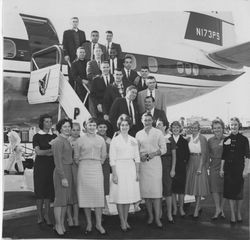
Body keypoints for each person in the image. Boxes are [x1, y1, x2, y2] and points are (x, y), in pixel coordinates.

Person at [74, 118, 107, 235]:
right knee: (85, 197)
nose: (92, 127)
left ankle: (98, 224)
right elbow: (76, 157)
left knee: (98, 196)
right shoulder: (80, 140)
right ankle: (89, 223)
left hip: (97, 167)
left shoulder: (101, 140)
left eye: (94, 125)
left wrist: (96, 162)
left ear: (96, 126)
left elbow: (104, 155)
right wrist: (85, 163)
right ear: (86, 126)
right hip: (83, 168)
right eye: (90, 125)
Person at [109, 114, 141, 231]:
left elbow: (137, 157)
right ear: (119, 126)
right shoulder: (115, 140)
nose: (124, 127)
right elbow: (112, 158)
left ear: (129, 126)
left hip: (131, 169)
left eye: (126, 125)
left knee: (127, 196)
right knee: (120, 196)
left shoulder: (133, 140)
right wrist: (115, 174)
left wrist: (137, 172)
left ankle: (126, 220)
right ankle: (122, 221)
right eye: (122, 125)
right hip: (119, 168)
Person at [136, 113, 166, 228]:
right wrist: (140, 156)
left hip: (155, 165)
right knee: (147, 194)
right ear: (141, 120)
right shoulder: (138, 134)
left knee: (157, 194)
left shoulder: (158, 133)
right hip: (144, 166)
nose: (147, 122)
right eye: (145, 120)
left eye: (149, 120)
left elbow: (164, 149)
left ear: (152, 120)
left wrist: (153, 154)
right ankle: (151, 216)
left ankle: (158, 219)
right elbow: (136, 150)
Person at [220, 117, 250, 224]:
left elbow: (247, 156)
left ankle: (238, 213)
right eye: (232, 125)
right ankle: (232, 214)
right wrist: (221, 169)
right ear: (230, 126)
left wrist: (246, 170)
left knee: (239, 193)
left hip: (239, 169)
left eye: (235, 125)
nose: (233, 126)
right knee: (230, 192)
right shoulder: (226, 139)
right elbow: (223, 156)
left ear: (239, 125)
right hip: (228, 169)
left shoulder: (244, 139)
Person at [51, 118, 77, 236]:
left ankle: (61, 224)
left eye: (69, 126)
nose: (67, 128)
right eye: (65, 126)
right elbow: (58, 161)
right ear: (60, 128)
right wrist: (63, 177)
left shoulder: (66, 140)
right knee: (59, 201)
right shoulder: (58, 141)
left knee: (65, 201)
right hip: (61, 172)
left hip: (68, 171)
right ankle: (57, 225)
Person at [32, 114, 57, 225]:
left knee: (48, 193)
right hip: (40, 167)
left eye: (50, 121)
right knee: (40, 192)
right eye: (46, 121)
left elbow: (56, 152)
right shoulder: (36, 136)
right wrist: (49, 151)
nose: (49, 123)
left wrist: (45, 152)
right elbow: (38, 152)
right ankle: (39, 216)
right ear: (42, 123)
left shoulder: (55, 136)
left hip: (51, 167)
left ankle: (47, 215)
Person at [185, 121, 210, 218]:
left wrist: (200, 167)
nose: (194, 129)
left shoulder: (202, 138)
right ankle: (198, 206)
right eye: (192, 127)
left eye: (196, 127)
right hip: (191, 162)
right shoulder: (189, 138)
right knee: (194, 186)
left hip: (200, 162)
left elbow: (204, 153)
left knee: (198, 186)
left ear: (199, 128)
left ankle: (196, 209)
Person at [156, 118, 176, 224]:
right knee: (158, 190)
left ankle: (169, 213)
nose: (158, 126)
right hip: (156, 166)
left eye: (160, 125)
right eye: (157, 125)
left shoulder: (170, 138)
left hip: (167, 166)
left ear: (164, 127)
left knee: (168, 191)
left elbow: (174, 155)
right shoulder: (155, 137)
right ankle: (158, 213)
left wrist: (173, 169)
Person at [170, 121, 190, 217]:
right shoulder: (168, 140)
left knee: (181, 190)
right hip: (171, 168)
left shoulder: (184, 141)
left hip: (181, 168)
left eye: (177, 127)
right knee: (173, 190)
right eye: (174, 127)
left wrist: (183, 163)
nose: (175, 129)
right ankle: (174, 209)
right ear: (171, 129)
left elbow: (187, 155)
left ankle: (181, 208)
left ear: (180, 129)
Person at [208, 119, 226, 220]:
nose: (217, 129)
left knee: (223, 189)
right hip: (214, 166)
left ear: (222, 128)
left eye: (219, 127)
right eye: (215, 128)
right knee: (214, 189)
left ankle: (222, 209)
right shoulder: (210, 140)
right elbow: (207, 153)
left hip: (225, 166)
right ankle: (217, 209)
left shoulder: (228, 139)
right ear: (212, 129)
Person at [62, 17, 86, 87]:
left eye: (76, 22)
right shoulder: (66, 32)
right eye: (73, 22)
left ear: (78, 23)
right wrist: (65, 54)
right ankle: (72, 91)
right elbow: (64, 44)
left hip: (80, 57)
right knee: (72, 75)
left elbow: (84, 45)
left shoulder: (82, 33)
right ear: (71, 23)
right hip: (71, 57)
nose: (75, 23)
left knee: (81, 74)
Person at [67, 122, 81, 227]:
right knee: (68, 193)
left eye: (78, 130)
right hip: (69, 168)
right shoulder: (66, 141)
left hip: (80, 169)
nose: (76, 132)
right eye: (74, 130)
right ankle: (69, 217)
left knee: (76, 194)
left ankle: (76, 217)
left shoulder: (83, 140)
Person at [97, 119, 112, 214]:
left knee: (105, 185)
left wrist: (108, 155)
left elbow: (112, 152)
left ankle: (104, 208)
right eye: (100, 127)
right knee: (97, 186)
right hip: (96, 165)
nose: (102, 129)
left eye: (104, 127)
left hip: (106, 165)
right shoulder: (94, 138)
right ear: (97, 128)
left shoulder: (109, 139)